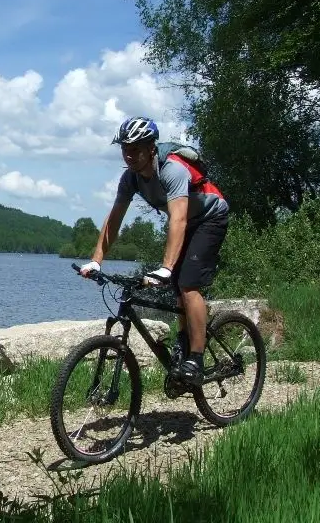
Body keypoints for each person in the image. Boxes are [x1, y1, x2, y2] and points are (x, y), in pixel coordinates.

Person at [78, 116, 230, 388]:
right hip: (185, 221)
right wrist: (96, 261)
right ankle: (183, 343)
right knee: (176, 287)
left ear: (151, 148)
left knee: (188, 283)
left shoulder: (172, 170)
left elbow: (178, 220)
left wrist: (166, 267)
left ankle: (196, 358)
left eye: (136, 149)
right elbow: (114, 220)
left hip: (209, 217)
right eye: (125, 149)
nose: (129, 155)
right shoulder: (130, 179)